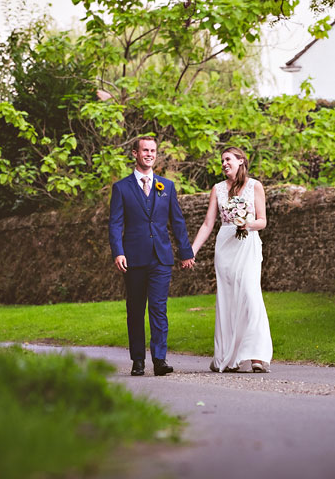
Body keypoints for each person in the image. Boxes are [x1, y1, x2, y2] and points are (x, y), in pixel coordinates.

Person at [109, 137, 195, 376]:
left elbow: (177, 222)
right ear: (135, 153)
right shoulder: (121, 188)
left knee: (158, 308)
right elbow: (115, 224)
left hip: (161, 258)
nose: (149, 154)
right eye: (145, 150)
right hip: (133, 258)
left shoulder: (166, 186)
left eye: (153, 151)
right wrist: (118, 252)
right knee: (135, 309)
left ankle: (159, 360)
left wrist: (185, 252)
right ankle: (138, 360)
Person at [191, 147, 273, 373]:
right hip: (225, 245)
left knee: (250, 293)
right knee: (227, 300)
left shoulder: (255, 186)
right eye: (222, 161)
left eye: (228, 159)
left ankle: (257, 355)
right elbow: (208, 223)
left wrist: (246, 223)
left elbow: (262, 220)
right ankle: (230, 356)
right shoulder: (217, 189)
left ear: (240, 161)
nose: (224, 163)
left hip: (247, 243)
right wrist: (193, 250)